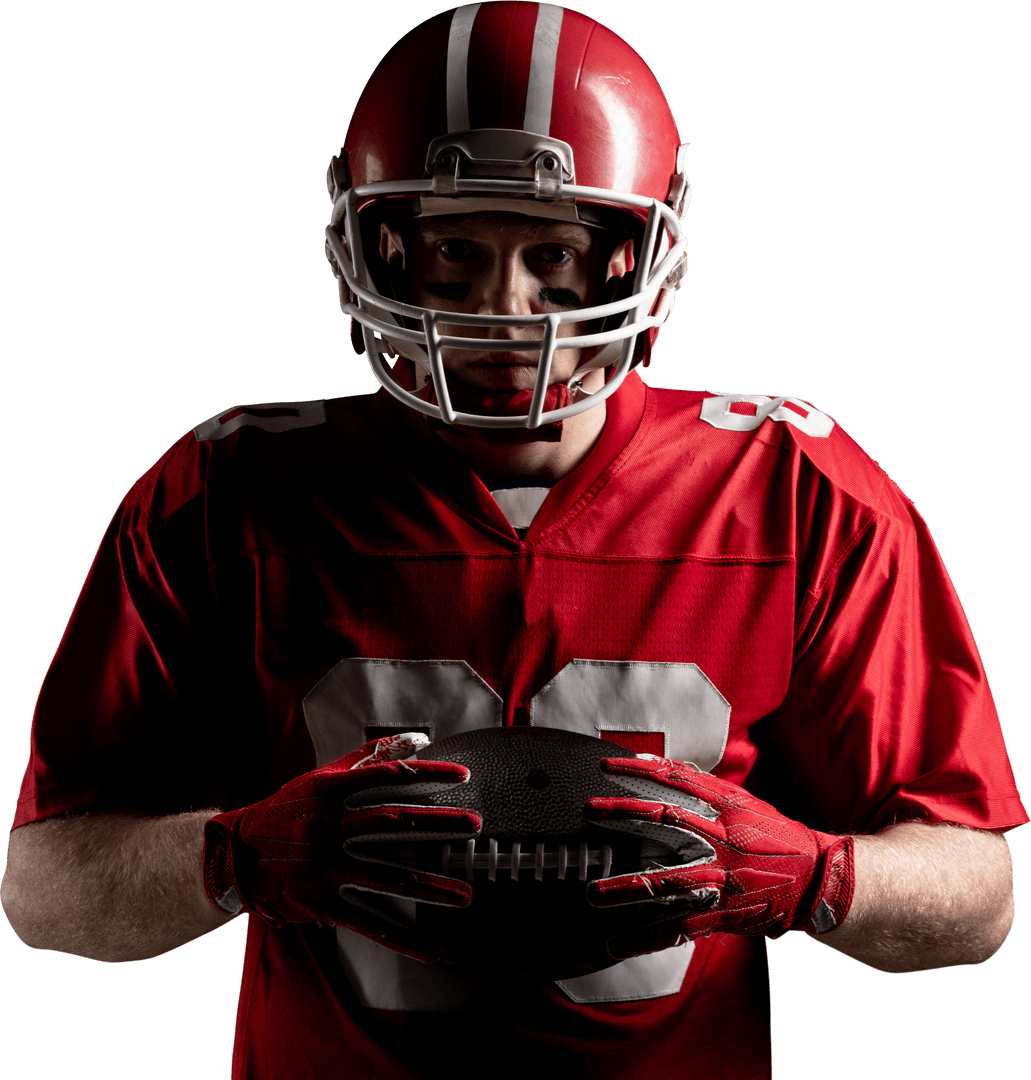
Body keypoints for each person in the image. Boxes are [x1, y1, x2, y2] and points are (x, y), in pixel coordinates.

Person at [2, 4, 1025, 1078]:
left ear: (638, 253)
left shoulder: (793, 492)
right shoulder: (223, 493)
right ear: (379, 243)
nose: (506, 310)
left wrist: (806, 875)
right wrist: (237, 859)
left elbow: (975, 901)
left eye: (555, 252)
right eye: (453, 251)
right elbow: (46, 892)